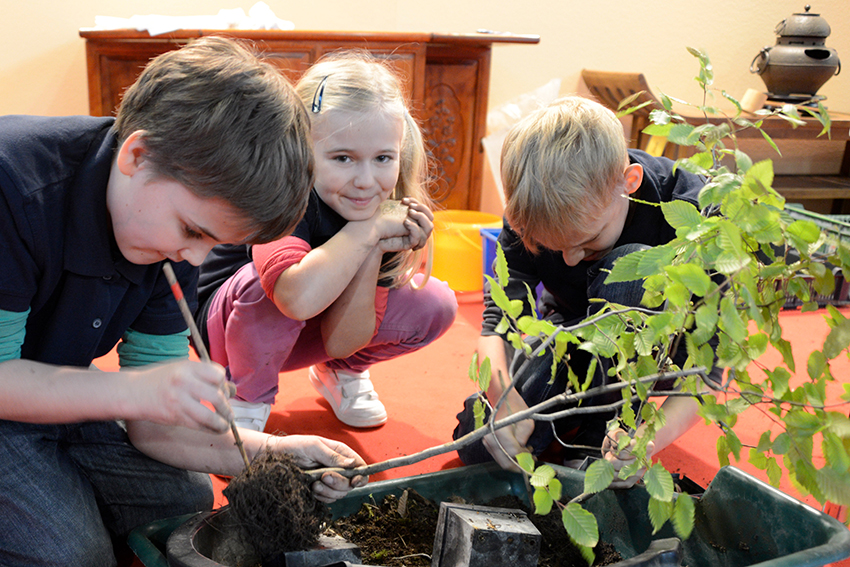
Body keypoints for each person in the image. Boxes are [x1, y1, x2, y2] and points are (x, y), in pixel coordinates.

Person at [0, 37, 369, 567]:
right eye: (193, 231)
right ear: (137, 155)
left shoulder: (161, 227)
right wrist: (132, 392)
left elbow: (154, 427)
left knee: (184, 502)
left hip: (49, 390)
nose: (194, 257)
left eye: (213, 244)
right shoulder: (14, 188)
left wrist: (274, 450)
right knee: (73, 553)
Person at [453, 96, 722, 487]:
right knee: (477, 444)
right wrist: (504, 402)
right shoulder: (530, 208)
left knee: (630, 266)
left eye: (588, 241)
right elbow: (498, 325)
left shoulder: (692, 212)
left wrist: (645, 440)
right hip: (573, 332)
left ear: (628, 183)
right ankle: (581, 412)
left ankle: (604, 430)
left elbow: (708, 373)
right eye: (551, 244)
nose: (568, 260)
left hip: (661, 352)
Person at [198, 51, 458, 432]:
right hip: (230, 330)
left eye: (383, 158)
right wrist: (365, 233)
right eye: (343, 158)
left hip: (306, 325)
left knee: (435, 302)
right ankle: (245, 398)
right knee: (268, 283)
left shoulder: (383, 208)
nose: (367, 180)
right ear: (303, 149)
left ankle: (340, 377)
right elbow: (296, 299)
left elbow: (341, 341)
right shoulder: (286, 193)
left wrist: (374, 252)